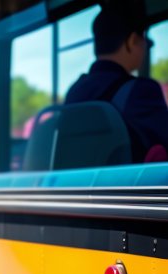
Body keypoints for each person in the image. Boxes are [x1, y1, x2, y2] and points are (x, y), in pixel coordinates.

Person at [64, 2, 168, 163]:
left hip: (75, 186)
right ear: (132, 41)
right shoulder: (142, 91)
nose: (145, 49)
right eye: (145, 42)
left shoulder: (74, 92)